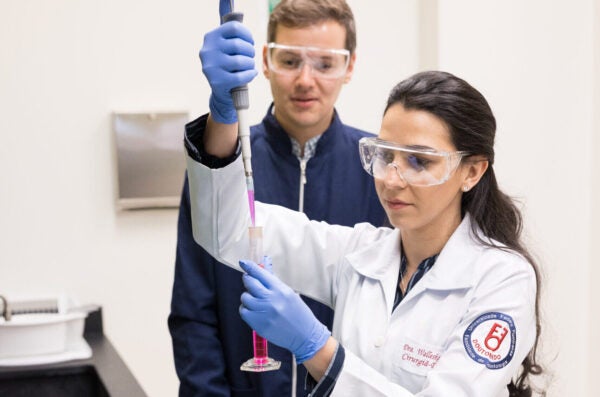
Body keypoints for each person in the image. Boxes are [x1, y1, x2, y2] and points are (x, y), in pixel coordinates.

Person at [184, 70, 545, 396]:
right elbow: (225, 230)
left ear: (472, 172)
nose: (391, 179)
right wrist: (223, 116)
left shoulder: (501, 279)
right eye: (386, 155)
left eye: (419, 161)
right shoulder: (358, 254)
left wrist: (319, 350)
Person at [168, 0, 386, 396]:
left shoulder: (380, 173)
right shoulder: (222, 162)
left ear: (349, 66)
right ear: (264, 61)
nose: (305, 80)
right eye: (289, 61)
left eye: (324, 63)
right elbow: (193, 313)